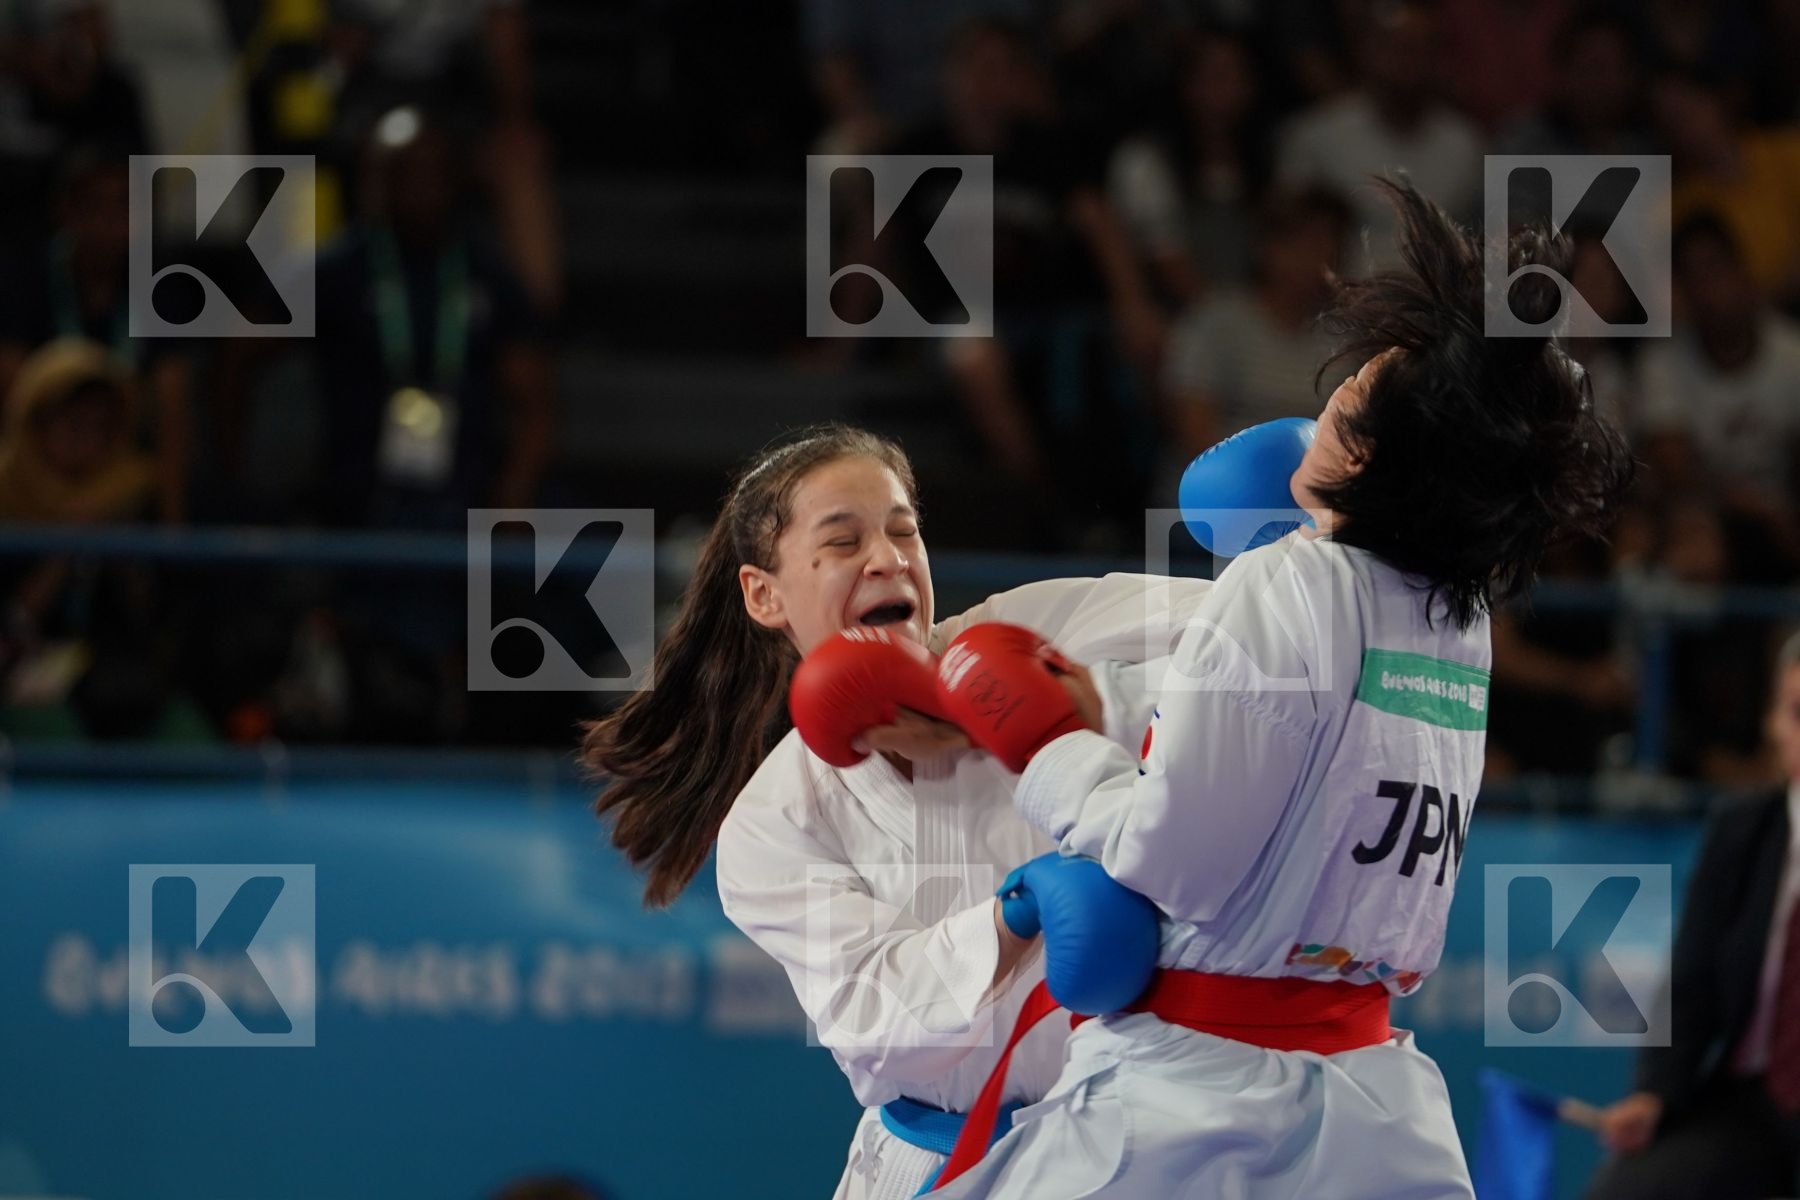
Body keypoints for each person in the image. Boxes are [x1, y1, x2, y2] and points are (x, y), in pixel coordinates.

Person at [924, 178, 1634, 1199]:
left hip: (1200, 1107)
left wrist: (1049, 751)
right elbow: (1305, 757)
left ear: (1376, 452)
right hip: (1376, 1106)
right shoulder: (1460, 616)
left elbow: (1178, 862)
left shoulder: (1289, 579)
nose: (1328, 395)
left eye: (1349, 391)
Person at [580, 424, 1211, 1199]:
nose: (889, 558)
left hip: (1144, 1146)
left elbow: (1266, 654)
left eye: (904, 531)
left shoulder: (1038, 632)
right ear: (763, 593)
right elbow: (875, 1015)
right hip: (945, 1168)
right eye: (843, 542)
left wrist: (1076, 703)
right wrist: (1017, 916)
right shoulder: (774, 819)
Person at [1584, 632, 1800, 1199]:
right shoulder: (1744, 831)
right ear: (1774, 723)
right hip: (1755, 1100)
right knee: (1626, 1191)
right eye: (1798, 712)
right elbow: (1694, 979)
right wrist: (1656, 1093)